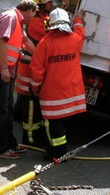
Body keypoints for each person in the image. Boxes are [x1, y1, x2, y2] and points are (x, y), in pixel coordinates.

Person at [0, 0, 37, 159]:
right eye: (34, 15)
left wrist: (40, 57)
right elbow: (1, 42)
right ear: (28, 11)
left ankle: (10, 143)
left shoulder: (18, 22)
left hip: (5, 70)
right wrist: (4, 68)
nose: (34, 19)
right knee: (1, 110)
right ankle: (1, 149)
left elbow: (26, 43)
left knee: (8, 108)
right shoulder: (10, 17)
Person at [29, 8, 86, 160]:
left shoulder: (45, 43)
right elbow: (80, 32)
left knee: (52, 123)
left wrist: (34, 87)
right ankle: (60, 150)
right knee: (62, 121)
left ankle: (58, 152)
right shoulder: (75, 39)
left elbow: (36, 70)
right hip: (71, 91)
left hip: (52, 92)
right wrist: (78, 19)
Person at [15, 0, 59, 147]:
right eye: (50, 2)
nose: (53, 4)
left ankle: (33, 137)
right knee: (32, 107)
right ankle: (30, 140)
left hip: (32, 70)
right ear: (42, 3)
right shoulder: (36, 22)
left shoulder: (42, 19)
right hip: (29, 72)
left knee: (32, 107)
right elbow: (50, 36)